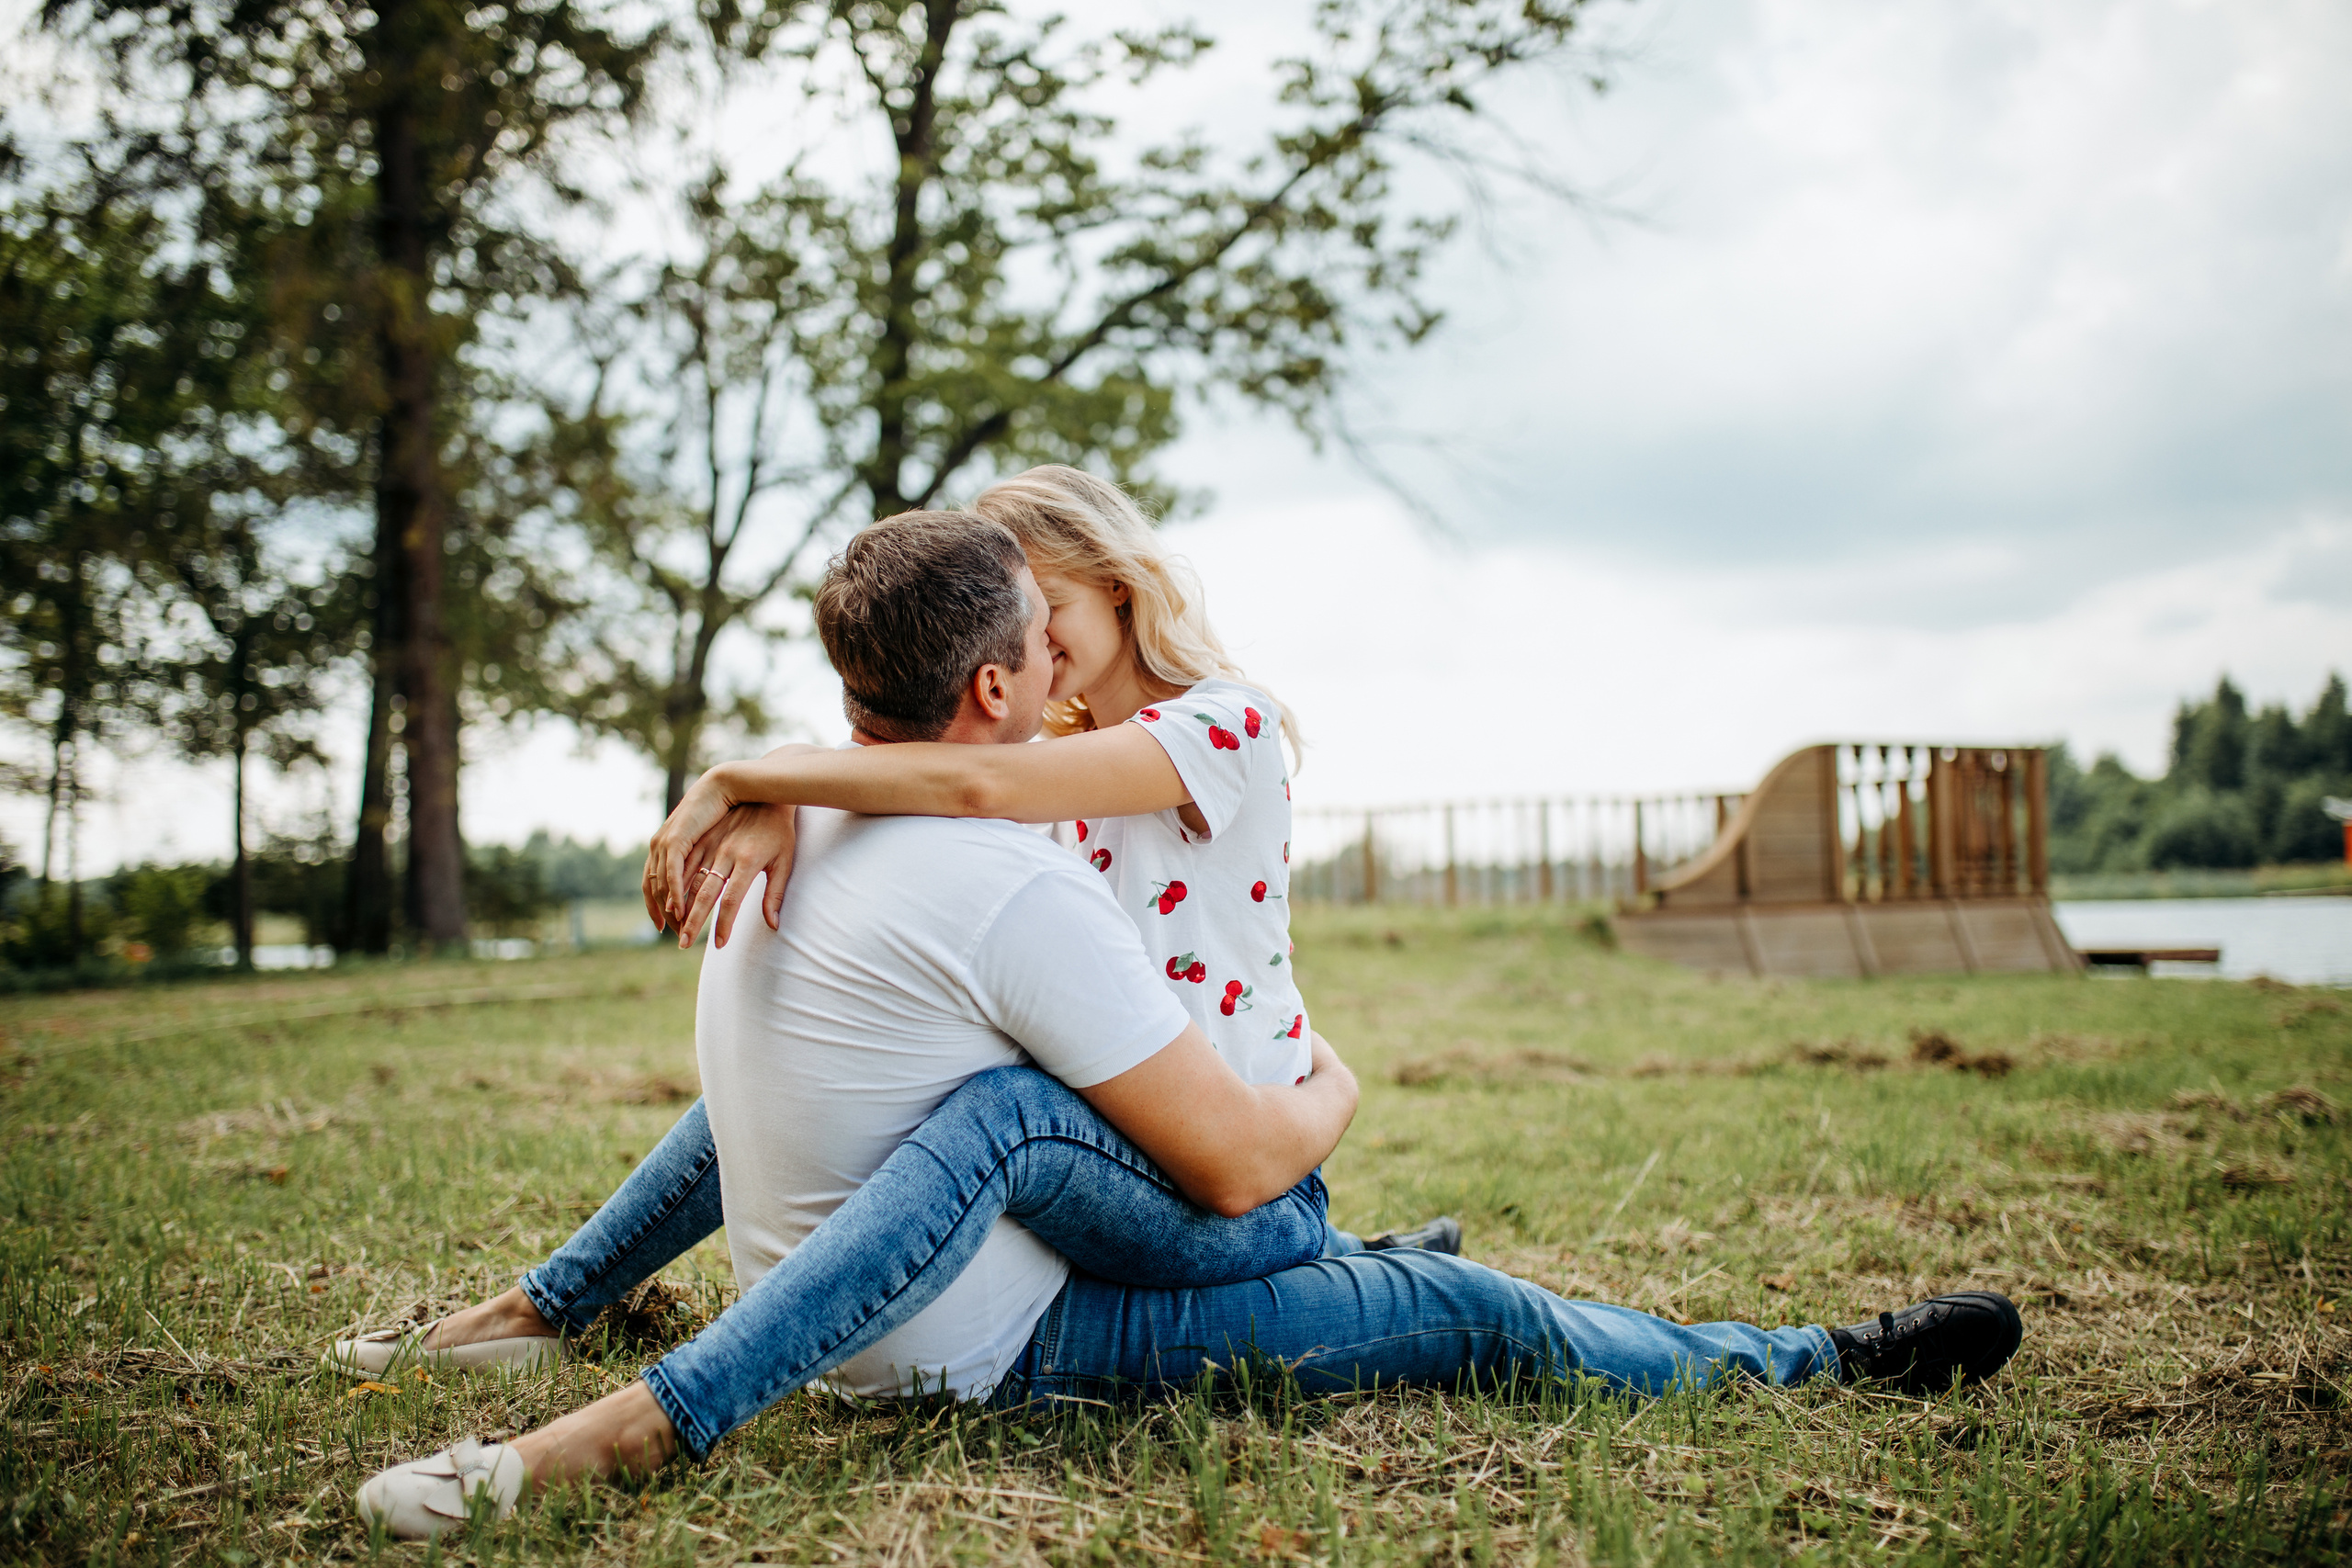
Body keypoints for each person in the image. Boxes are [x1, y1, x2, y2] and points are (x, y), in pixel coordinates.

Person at [352, 510, 2023, 1539]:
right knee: (1453, 1304)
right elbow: (1226, 1166)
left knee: (1041, 1128)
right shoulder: (998, 865)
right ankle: (1807, 1363)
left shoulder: (1118, 759)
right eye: (1038, 652)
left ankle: (548, 1306)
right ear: (999, 679)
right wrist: (1335, 1093)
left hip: (1028, 1233)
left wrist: (761, 776)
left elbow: (943, 759)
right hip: (1090, 1278)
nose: (1064, 682)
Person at [329, 467, 1454, 1391]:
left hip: (1232, 1153)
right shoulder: (1030, 750)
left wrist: (753, 776)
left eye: (1049, 611)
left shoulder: (1221, 724)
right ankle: (544, 1306)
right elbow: (937, 764)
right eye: (1027, 631)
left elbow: (965, 786)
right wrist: (792, 802)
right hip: (1117, 1135)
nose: (1043, 652)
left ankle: (1356, 1266)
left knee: (1000, 1136)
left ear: (1118, 586)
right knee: (807, 1083)